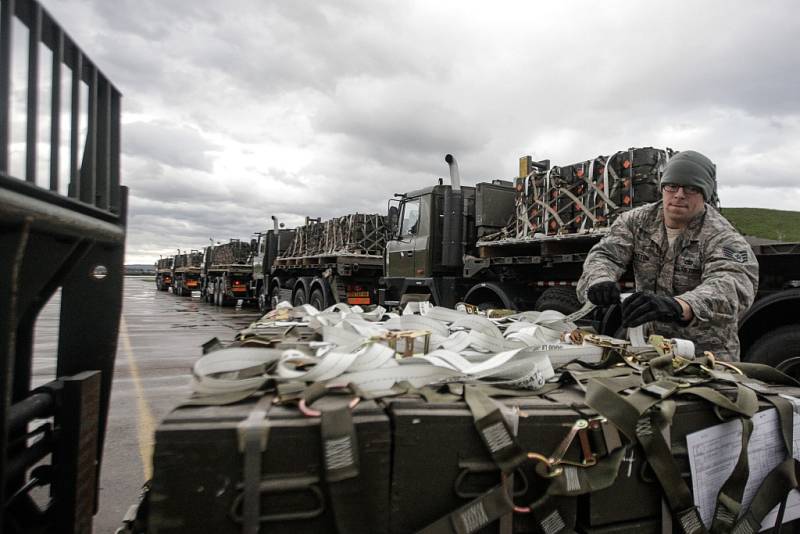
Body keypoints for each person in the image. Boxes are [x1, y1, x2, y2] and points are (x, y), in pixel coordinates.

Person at [576, 150, 758, 361]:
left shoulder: (722, 237)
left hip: (704, 357)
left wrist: (680, 305)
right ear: (662, 188)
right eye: (672, 186)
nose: (679, 194)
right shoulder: (637, 221)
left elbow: (732, 283)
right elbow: (606, 254)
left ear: (704, 194)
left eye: (691, 188)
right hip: (647, 351)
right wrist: (600, 280)